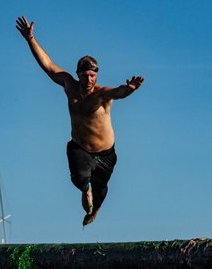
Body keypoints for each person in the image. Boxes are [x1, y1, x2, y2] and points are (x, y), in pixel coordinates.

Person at [16, 16, 144, 226]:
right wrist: (30, 39)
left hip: (105, 153)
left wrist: (130, 89)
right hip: (80, 147)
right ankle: (85, 189)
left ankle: (93, 205)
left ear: (96, 75)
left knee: (101, 191)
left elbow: (119, 93)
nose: (88, 80)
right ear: (78, 75)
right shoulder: (69, 85)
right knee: (79, 177)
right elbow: (48, 65)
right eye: (84, 75)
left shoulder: (102, 94)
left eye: (92, 76)